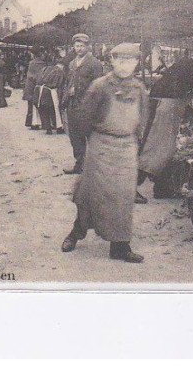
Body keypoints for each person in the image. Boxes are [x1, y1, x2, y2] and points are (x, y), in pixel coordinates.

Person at [62, 43, 149, 262]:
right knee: (91, 193)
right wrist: (94, 142)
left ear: (137, 63)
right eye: (120, 60)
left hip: (127, 147)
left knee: (123, 197)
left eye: (130, 61)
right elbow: (83, 118)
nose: (125, 65)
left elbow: (143, 119)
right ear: (112, 61)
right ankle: (76, 232)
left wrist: (135, 142)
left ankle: (120, 246)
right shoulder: (99, 86)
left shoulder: (139, 89)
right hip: (101, 145)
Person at [137, 51, 193, 202]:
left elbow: (178, 89)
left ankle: (162, 188)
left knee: (167, 149)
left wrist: (190, 112)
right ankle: (131, 188)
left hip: (168, 105)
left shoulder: (187, 65)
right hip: (164, 107)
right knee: (153, 147)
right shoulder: (192, 67)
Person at [62, 34, 104, 174]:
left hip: (87, 105)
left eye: (82, 46)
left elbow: (99, 86)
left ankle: (96, 167)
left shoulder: (95, 63)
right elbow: (68, 82)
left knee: (90, 135)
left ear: (88, 47)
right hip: (73, 104)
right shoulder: (72, 63)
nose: (79, 49)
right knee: (75, 135)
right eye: (77, 46)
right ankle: (79, 164)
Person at [36, 49, 67, 134]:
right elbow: (60, 85)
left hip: (39, 90)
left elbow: (37, 79)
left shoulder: (45, 69)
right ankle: (59, 127)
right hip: (51, 92)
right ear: (62, 65)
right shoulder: (59, 71)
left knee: (44, 109)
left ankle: (48, 129)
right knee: (55, 109)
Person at [23, 46, 46, 129]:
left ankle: (33, 123)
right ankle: (38, 123)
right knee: (38, 104)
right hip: (37, 85)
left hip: (30, 85)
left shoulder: (31, 63)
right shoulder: (42, 63)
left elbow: (30, 75)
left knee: (31, 104)